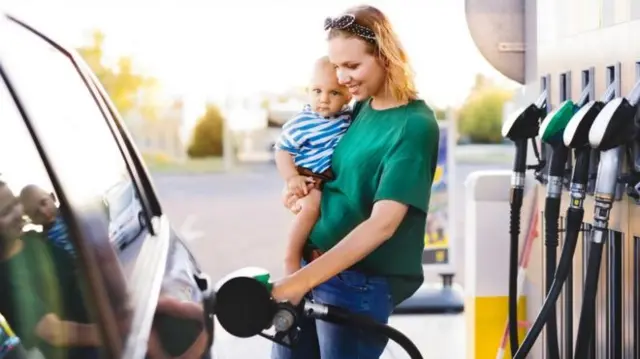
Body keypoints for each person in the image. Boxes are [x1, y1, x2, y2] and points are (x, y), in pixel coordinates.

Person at [270, 5, 440, 359]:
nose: (342, 78)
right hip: (312, 270)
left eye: (352, 66)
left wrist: (298, 283)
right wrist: (300, 184)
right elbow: (337, 174)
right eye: (336, 66)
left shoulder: (413, 126)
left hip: (355, 284)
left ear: (386, 57)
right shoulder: (361, 107)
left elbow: (382, 225)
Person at [0, 180, 101, 358]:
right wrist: (108, 332)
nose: (18, 213)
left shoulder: (34, 240)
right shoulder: (5, 279)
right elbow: (53, 332)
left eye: (15, 203)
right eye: (6, 212)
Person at [273, 56, 352, 276]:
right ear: (308, 90)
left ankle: (317, 257)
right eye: (317, 91)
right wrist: (291, 179)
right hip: (307, 179)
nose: (324, 99)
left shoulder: (347, 117)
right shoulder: (303, 122)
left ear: (348, 95)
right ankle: (291, 259)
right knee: (311, 206)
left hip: (326, 180)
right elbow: (282, 150)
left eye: (333, 92)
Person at [19, 184, 75, 257]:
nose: (43, 212)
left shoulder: (74, 215)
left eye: (44, 203)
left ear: (53, 197)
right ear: (32, 219)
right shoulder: (41, 244)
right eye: (36, 213)